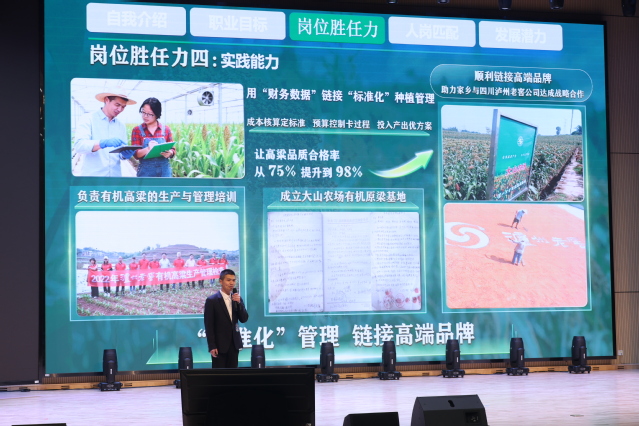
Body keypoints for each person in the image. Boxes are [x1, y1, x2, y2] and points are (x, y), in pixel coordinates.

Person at [72, 89, 137, 177]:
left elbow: (121, 152)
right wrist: (102, 143)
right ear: (106, 100)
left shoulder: (120, 126)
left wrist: (125, 155)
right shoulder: (88, 119)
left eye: (123, 107)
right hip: (93, 177)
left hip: (114, 177)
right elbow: (79, 146)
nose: (120, 109)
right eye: (117, 105)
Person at [203, 269, 249, 368]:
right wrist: (212, 346)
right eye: (228, 280)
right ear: (221, 281)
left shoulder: (237, 299)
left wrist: (239, 304)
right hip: (219, 345)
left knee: (232, 374)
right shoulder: (212, 300)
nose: (231, 283)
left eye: (233, 280)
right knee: (219, 375)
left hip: (234, 344)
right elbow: (209, 325)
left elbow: (244, 319)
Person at [131, 97, 176, 177]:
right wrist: (148, 149)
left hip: (164, 171)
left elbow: (173, 149)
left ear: (157, 114)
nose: (145, 116)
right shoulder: (137, 130)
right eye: (143, 112)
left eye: (149, 114)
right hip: (145, 171)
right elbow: (136, 154)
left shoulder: (166, 130)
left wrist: (170, 153)